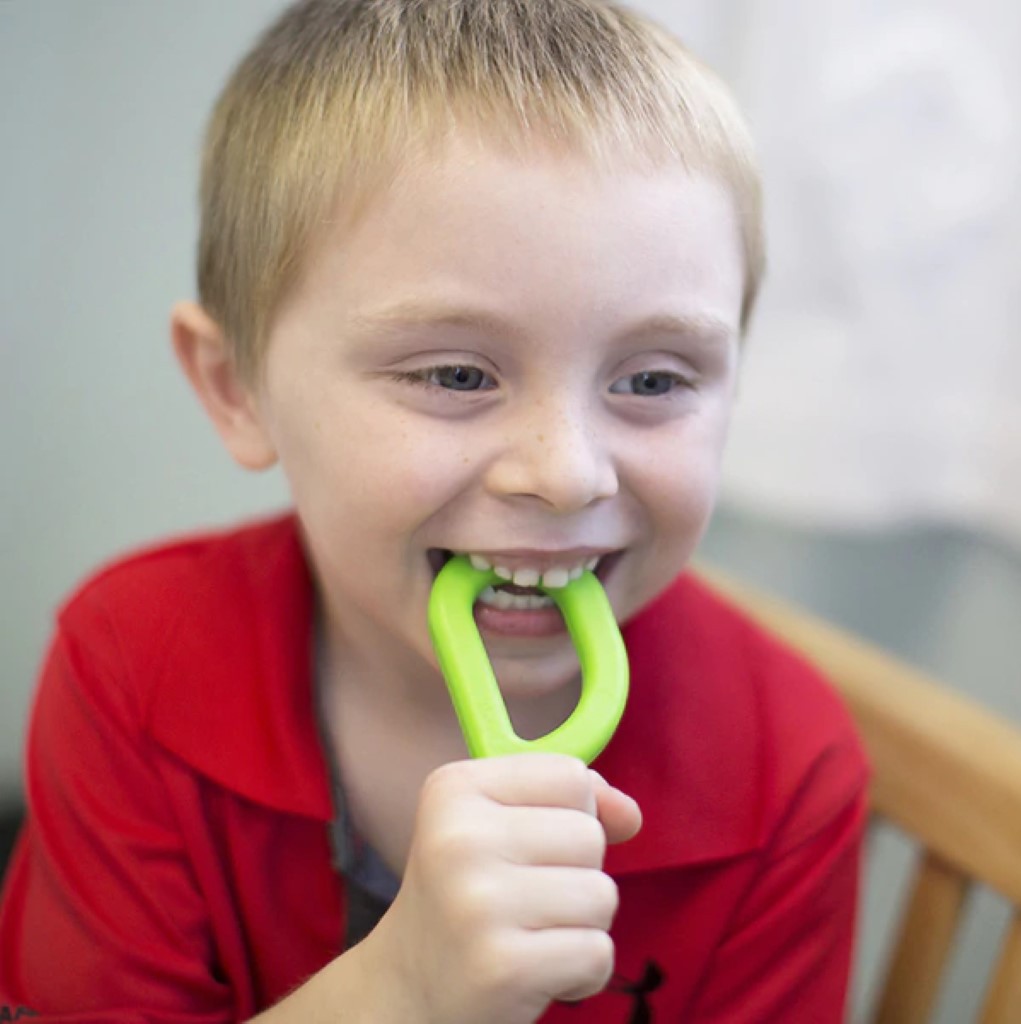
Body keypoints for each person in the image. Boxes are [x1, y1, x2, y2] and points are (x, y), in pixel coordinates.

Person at [0, 1, 869, 1020]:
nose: (565, 475)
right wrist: (399, 990)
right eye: (457, 373)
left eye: (652, 380)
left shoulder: (789, 768)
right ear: (238, 387)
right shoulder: (133, 663)